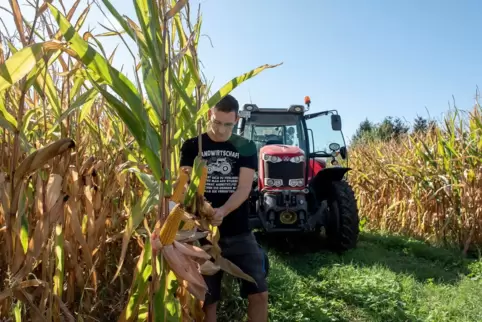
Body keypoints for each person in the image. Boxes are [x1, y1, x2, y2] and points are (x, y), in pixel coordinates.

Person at [179, 94, 268, 322]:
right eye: (217, 123)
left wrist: (223, 211)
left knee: (259, 292)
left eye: (228, 124)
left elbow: (244, 188)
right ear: (210, 115)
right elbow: (185, 185)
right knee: (207, 299)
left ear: (236, 120)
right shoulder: (192, 145)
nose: (221, 130)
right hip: (201, 233)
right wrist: (207, 211)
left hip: (239, 232)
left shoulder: (246, 147)